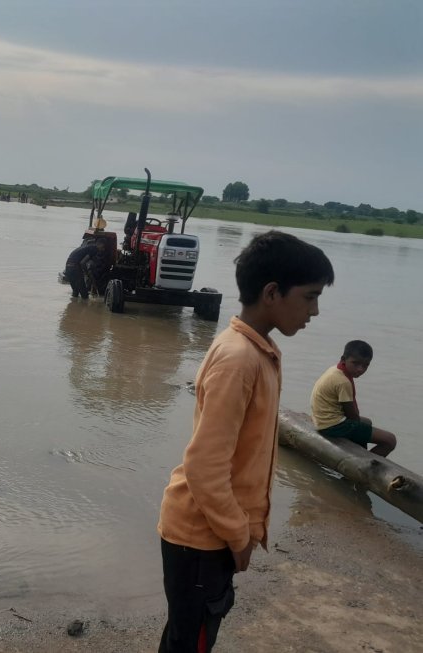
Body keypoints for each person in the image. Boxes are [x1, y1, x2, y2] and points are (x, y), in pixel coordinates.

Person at [157, 230, 334, 652]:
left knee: (188, 634)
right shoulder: (240, 359)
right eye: (309, 297)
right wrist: (239, 535)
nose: (315, 310)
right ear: (272, 292)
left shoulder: (259, 351)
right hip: (202, 536)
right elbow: (204, 467)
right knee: (192, 640)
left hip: (212, 531)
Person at [310, 340, 396, 457]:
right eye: (355, 363)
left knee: (367, 422)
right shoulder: (343, 382)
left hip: (322, 420)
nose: (360, 369)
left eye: (365, 365)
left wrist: (362, 430)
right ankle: (364, 464)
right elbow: (352, 416)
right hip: (331, 425)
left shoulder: (335, 370)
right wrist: (361, 431)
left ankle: (360, 453)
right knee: (390, 440)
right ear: (343, 359)